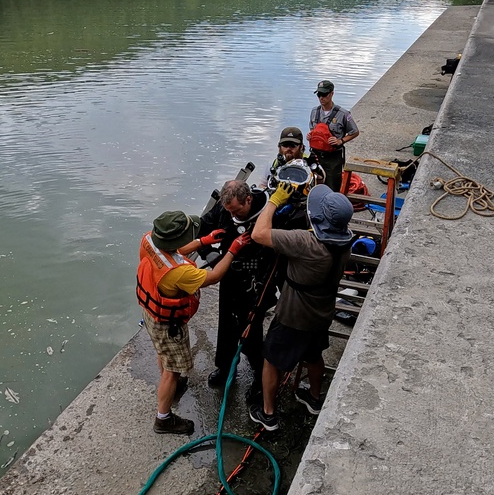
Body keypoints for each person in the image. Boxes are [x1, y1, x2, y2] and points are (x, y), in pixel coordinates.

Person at [247, 183, 353, 431]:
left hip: (293, 316)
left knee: (271, 360)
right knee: (314, 355)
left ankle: (268, 414)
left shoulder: (304, 242)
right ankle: (315, 399)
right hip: (323, 312)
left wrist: (274, 200)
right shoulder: (345, 242)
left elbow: (258, 234)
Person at [137, 210, 251, 435]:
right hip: (168, 325)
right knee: (173, 368)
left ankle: (171, 384)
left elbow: (172, 251)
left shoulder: (148, 239)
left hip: (150, 314)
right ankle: (164, 418)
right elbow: (215, 275)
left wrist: (203, 241)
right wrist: (233, 248)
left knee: (164, 355)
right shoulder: (180, 274)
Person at [198, 179, 308, 402]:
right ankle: (226, 365)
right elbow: (202, 229)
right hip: (230, 275)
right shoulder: (224, 209)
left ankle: (261, 375)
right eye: (228, 211)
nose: (232, 215)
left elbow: (290, 247)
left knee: (251, 330)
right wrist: (210, 255)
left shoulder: (270, 214)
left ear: (248, 199)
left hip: (260, 280)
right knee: (227, 324)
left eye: (236, 210)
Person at [308, 80, 360, 192]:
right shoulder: (314, 112)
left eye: (324, 94)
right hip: (316, 155)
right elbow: (312, 128)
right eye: (319, 95)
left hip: (333, 158)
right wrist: (311, 136)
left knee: (332, 187)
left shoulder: (343, 114)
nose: (321, 98)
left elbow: (354, 132)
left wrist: (340, 141)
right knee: (313, 185)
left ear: (332, 93)